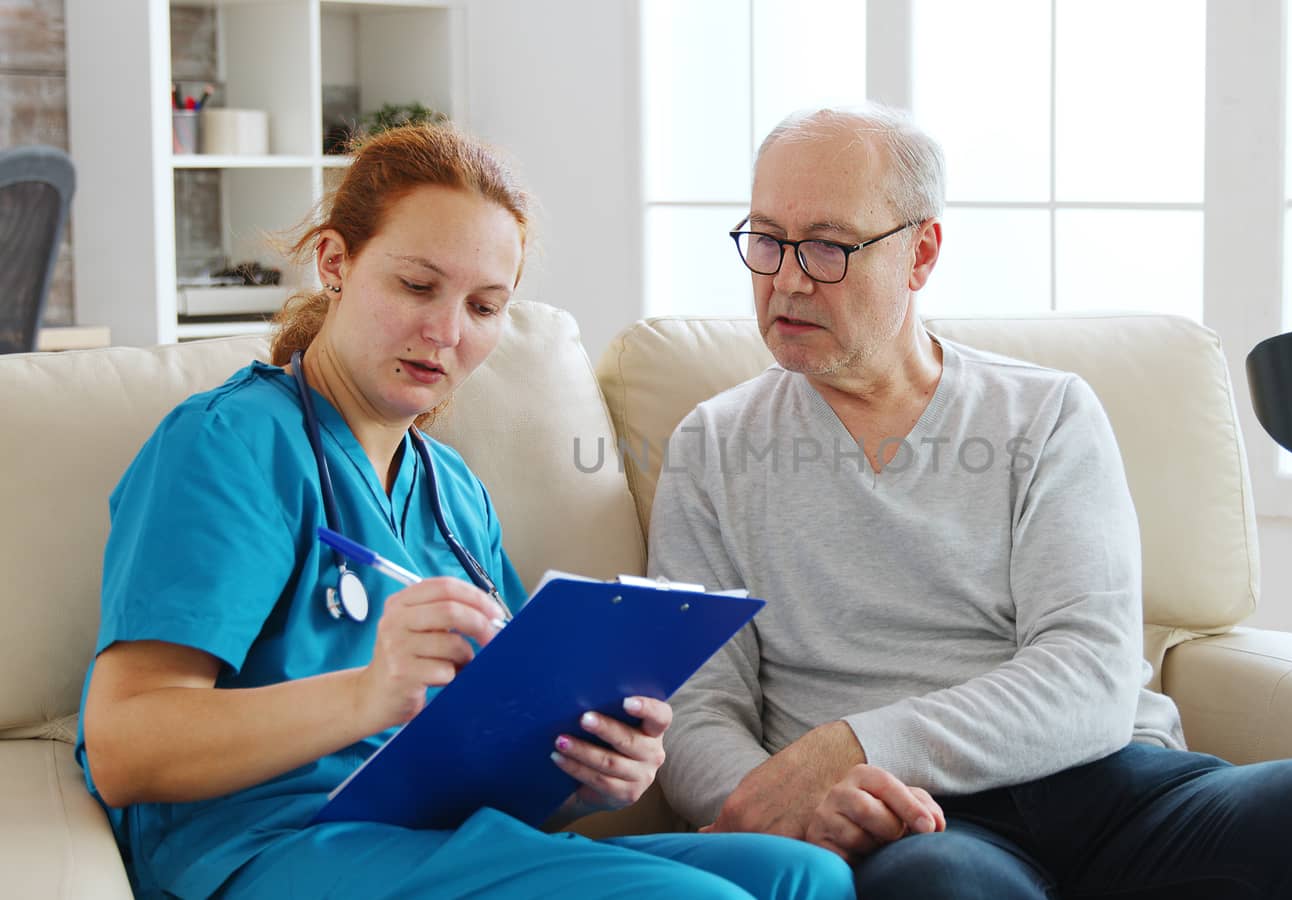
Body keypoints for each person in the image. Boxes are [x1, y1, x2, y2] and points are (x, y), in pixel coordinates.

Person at [648, 105, 1292, 899]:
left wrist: (853, 746)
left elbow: (1088, 678)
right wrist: (791, 802)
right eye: (767, 239)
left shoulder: (1046, 413)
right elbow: (695, 711)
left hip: (1117, 786)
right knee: (938, 889)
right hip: (926, 826)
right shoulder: (712, 448)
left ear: (920, 254)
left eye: (825, 246)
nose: (784, 277)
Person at [76, 123, 853, 900]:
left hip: (431, 842)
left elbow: (499, 742)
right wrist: (369, 693)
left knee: (803, 873)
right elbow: (123, 747)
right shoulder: (232, 444)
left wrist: (594, 773)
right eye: (417, 286)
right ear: (335, 263)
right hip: (264, 849)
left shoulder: (451, 491)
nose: (445, 333)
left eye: (484, 307)